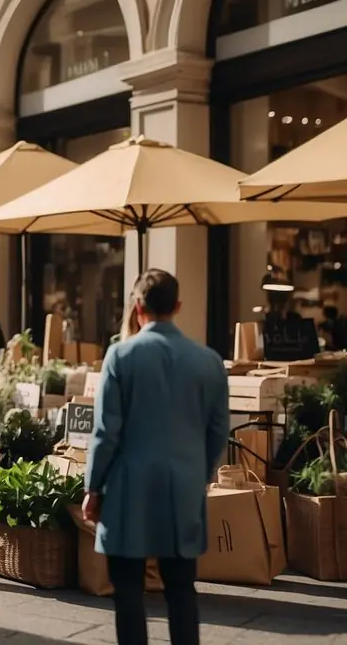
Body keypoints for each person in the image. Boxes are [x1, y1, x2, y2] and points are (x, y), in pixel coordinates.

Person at [84, 269, 229, 645]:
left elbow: (106, 432)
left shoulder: (120, 356)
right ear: (178, 306)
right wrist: (198, 472)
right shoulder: (210, 361)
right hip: (183, 486)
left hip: (128, 487)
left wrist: (93, 487)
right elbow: (217, 433)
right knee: (181, 588)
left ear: (137, 307)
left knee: (128, 590)